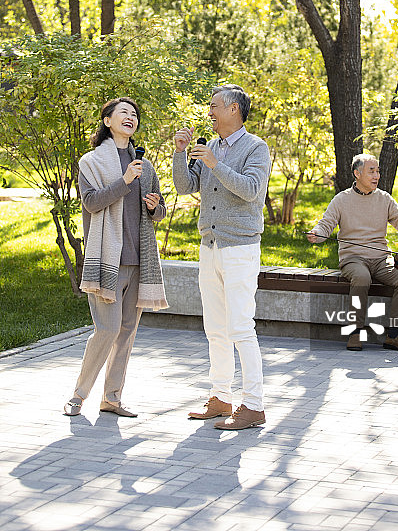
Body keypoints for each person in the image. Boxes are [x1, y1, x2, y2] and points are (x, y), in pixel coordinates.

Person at [173, 84, 271, 431]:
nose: (209, 111)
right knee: (215, 328)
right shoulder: (209, 146)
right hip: (210, 247)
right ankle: (220, 397)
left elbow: (249, 190)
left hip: (240, 249)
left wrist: (215, 164)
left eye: (214, 105)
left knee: (241, 327)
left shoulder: (256, 148)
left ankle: (254, 406)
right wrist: (181, 153)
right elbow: (185, 187)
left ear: (233, 109)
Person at [63, 98, 168, 417]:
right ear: (107, 121)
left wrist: (154, 208)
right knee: (106, 330)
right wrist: (123, 182)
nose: (130, 117)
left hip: (140, 262)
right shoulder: (91, 162)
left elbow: (159, 210)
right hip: (107, 260)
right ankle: (79, 395)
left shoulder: (144, 165)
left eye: (134, 114)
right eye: (124, 112)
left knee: (126, 332)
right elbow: (92, 203)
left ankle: (112, 398)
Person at [307, 153, 398, 353]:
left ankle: (394, 335)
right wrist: (317, 234)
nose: (377, 176)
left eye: (378, 171)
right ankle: (355, 332)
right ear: (357, 174)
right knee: (361, 277)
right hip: (353, 258)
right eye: (371, 171)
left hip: (381, 259)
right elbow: (326, 224)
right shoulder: (341, 199)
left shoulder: (384, 198)